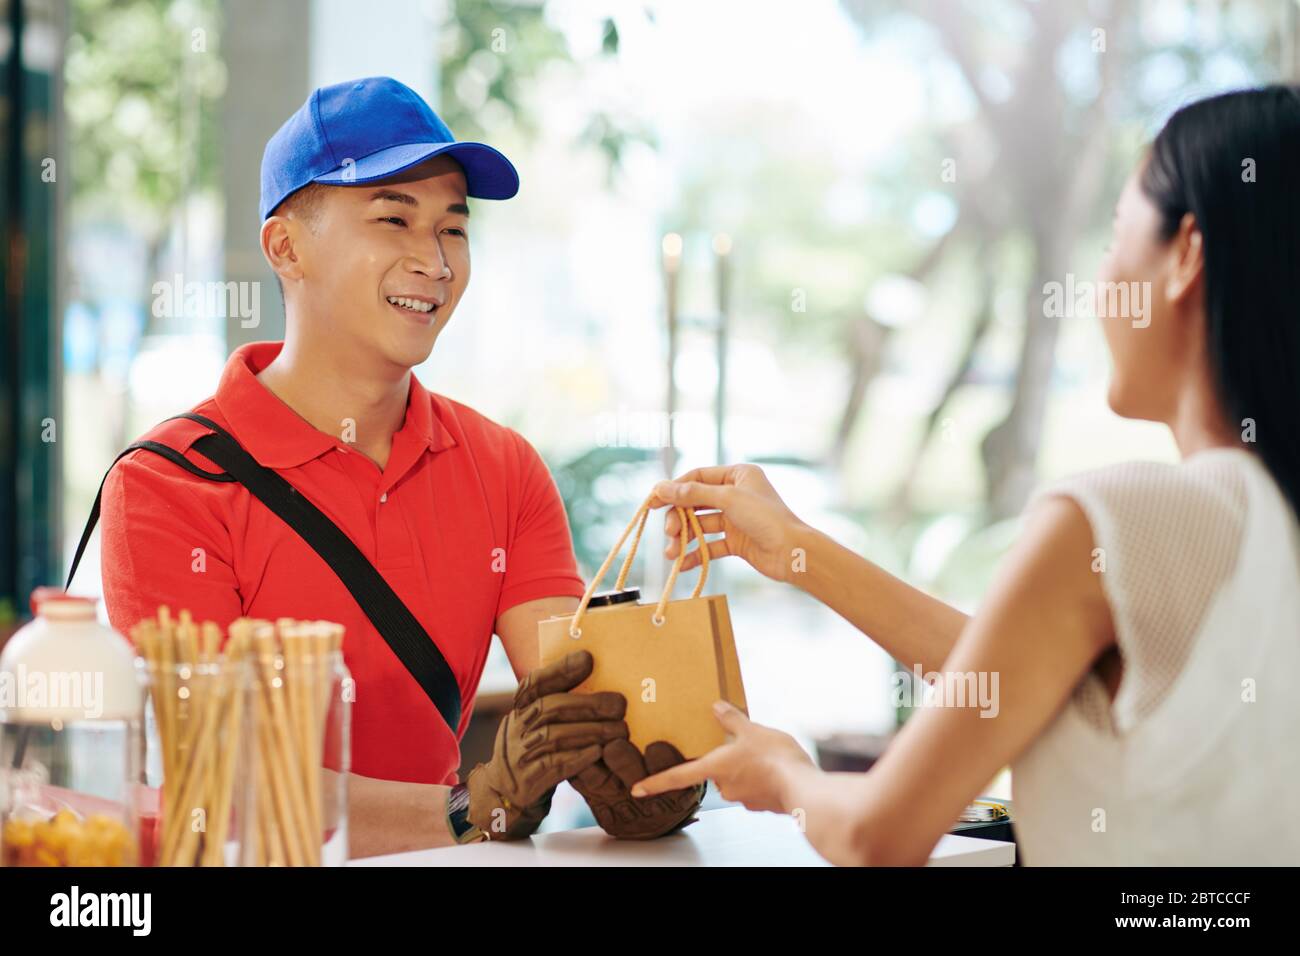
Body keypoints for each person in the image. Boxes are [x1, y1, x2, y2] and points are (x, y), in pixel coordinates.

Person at [635, 85, 1300, 865]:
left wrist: (784, 775)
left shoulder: (1124, 515)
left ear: (1186, 254)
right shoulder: (1258, 524)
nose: (1096, 279)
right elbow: (1017, 668)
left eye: (1118, 233)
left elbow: (874, 835)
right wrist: (796, 551)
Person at [97, 77, 698, 856]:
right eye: (394, 218)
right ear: (286, 247)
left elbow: (583, 694)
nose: (435, 260)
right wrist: (462, 811)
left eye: (453, 229)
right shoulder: (167, 487)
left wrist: (646, 770)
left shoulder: (503, 467)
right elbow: (226, 777)